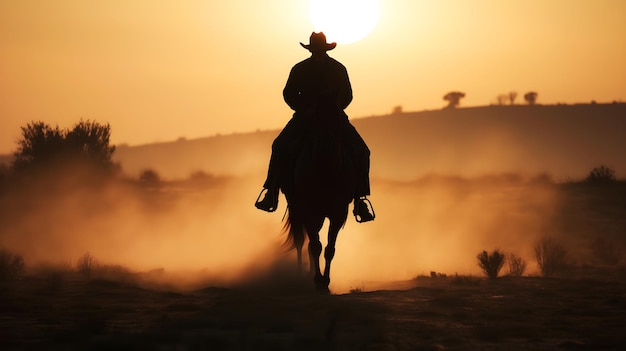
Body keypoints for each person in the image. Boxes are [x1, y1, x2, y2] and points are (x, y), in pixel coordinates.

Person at [255, 32, 375, 222]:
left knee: (363, 151)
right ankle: (271, 191)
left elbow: (347, 95)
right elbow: (289, 94)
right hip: (305, 118)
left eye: (320, 50)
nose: (318, 53)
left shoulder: (337, 69)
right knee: (278, 146)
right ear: (312, 50)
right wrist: (304, 109)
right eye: (316, 50)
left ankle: (360, 198)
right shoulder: (301, 69)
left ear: (324, 49)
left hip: (334, 118)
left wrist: (334, 109)